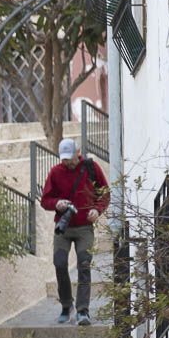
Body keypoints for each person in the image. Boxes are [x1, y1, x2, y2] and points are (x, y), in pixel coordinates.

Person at [40, 138, 110, 326]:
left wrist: (97, 209)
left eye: (70, 158)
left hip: (84, 227)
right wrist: (57, 203)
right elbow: (45, 200)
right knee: (60, 263)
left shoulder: (91, 168)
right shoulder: (55, 172)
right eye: (64, 159)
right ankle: (66, 305)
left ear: (77, 152)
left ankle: (83, 311)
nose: (67, 162)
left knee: (84, 264)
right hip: (63, 227)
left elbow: (104, 193)